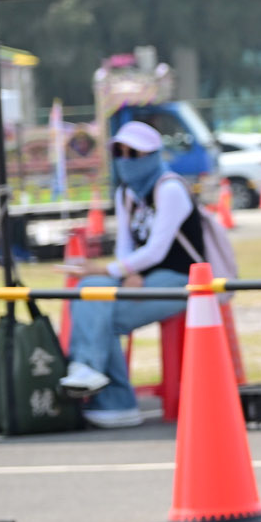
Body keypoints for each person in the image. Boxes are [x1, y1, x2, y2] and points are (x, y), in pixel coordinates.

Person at [58, 121, 202, 429]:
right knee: (89, 288)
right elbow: (125, 247)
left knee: (101, 313)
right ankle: (96, 380)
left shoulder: (170, 189)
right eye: (119, 153)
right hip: (145, 276)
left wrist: (112, 269)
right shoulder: (126, 193)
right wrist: (125, 273)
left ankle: (113, 397)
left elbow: (157, 250)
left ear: (153, 155)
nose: (126, 160)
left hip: (185, 279)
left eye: (133, 153)